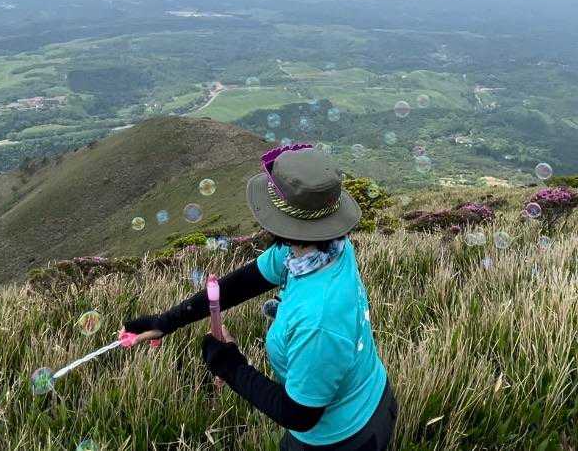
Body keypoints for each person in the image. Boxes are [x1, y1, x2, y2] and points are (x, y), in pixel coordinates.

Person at [122, 145, 398, 450]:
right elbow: (242, 283)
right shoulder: (323, 249)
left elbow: (299, 414)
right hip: (369, 394)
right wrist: (165, 321)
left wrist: (229, 364)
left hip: (343, 439)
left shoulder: (318, 319)